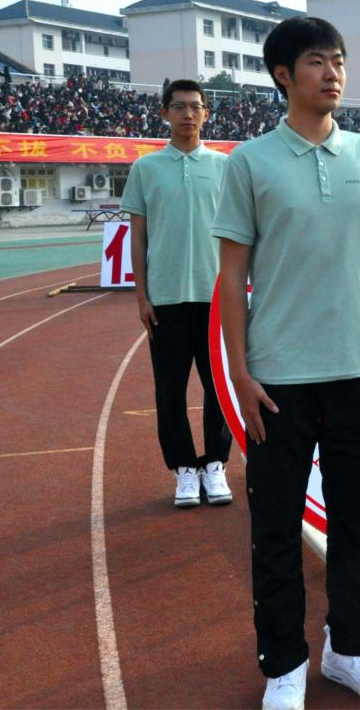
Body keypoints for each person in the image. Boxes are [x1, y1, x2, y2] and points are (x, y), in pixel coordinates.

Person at [213, 17, 360, 709]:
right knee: (275, 528)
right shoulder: (250, 163)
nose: (333, 73)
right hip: (279, 380)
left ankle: (351, 647)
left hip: (358, 371)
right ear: (283, 75)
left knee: (356, 520)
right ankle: (284, 664)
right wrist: (240, 371)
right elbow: (232, 274)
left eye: (339, 60)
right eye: (318, 61)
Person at [121, 79, 232, 508]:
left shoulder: (224, 167)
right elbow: (138, 236)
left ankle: (215, 464)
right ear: (165, 113)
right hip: (165, 298)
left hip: (215, 297)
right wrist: (141, 295)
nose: (188, 114)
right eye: (180, 106)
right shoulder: (146, 169)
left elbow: (240, 233)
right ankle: (184, 469)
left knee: (218, 387)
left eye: (195, 107)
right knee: (169, 390)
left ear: (206, 114)